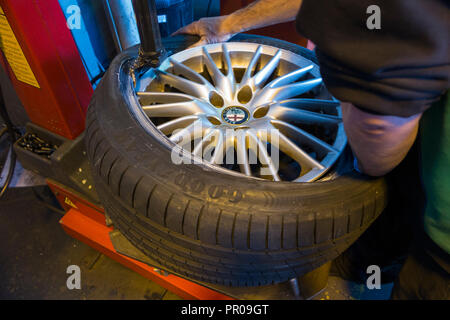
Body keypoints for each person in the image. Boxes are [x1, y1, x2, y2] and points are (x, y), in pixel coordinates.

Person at [174, 0, 450, 299]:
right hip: (421, 128)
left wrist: (360, 172)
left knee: (391, 204)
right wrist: (228, 24)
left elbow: (378, 126)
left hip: (443, 240)